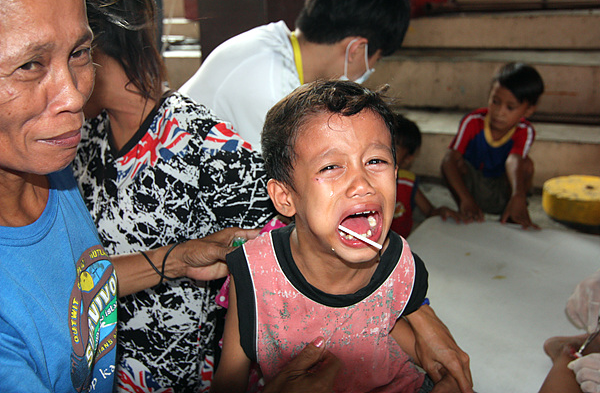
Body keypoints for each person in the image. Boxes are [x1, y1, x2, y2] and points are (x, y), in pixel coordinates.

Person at [0, 0, 253, 391]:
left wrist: (178, 258)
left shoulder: (50, 164)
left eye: (80, 53)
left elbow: (77, 286)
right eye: (30, 65)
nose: (73, 96)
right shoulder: (70, 149)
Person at [72, 0, 276, 391]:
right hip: (97, 369)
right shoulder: (84, 141)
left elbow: (274, 237)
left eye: (68, 57)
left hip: (173, 377)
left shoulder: (198, 139)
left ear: (92, 51)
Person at [211, 80, 466, 393]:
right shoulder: (254, 275)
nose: (362, 183)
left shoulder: (397, 259)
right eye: (331, 166)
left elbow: (396, 334)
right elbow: (228, 382)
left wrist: (444, 378)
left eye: (376, 161)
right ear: (285, 197)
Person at [179, 0, 411, 149]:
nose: (371, 69)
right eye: (376, 59)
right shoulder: (269, 85)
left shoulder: (271, 42)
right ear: (357, 49)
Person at [441, 62, 544, 229]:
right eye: (495, 101)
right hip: (472, 187)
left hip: (501, 188)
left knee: (526, 165)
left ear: (528, 110)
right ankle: (467, 208)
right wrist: (465, 199)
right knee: (452, 162)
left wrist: (518, 195)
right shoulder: (473, 121)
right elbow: (449, 161)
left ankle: (513, 212)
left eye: (510, 107)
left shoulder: (525, 131)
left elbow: (514, 160)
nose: (499, 111)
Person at [392, 115, 461, 237]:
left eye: (395, 147)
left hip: (399, 248)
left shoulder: (407, 182)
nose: (386, 150)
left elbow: (429, 211)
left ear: (408, 159)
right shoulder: (367, 181)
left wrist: (442, 211)